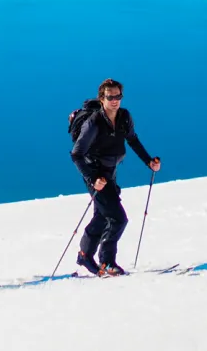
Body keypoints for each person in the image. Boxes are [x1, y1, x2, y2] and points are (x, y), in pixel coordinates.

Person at [71, 79, 161, 277]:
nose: (115, 100)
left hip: (110, 171)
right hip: (95, 173)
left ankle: (85, 255)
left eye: (118, 96)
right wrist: (93, 178)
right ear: (101, 98)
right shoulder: (94, 122)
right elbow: (76, 154)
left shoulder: (124, 116)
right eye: (110, 97)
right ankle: (107, 261)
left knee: (102, 216)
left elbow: (132, 140)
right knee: (118, 219)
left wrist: (148, 161)